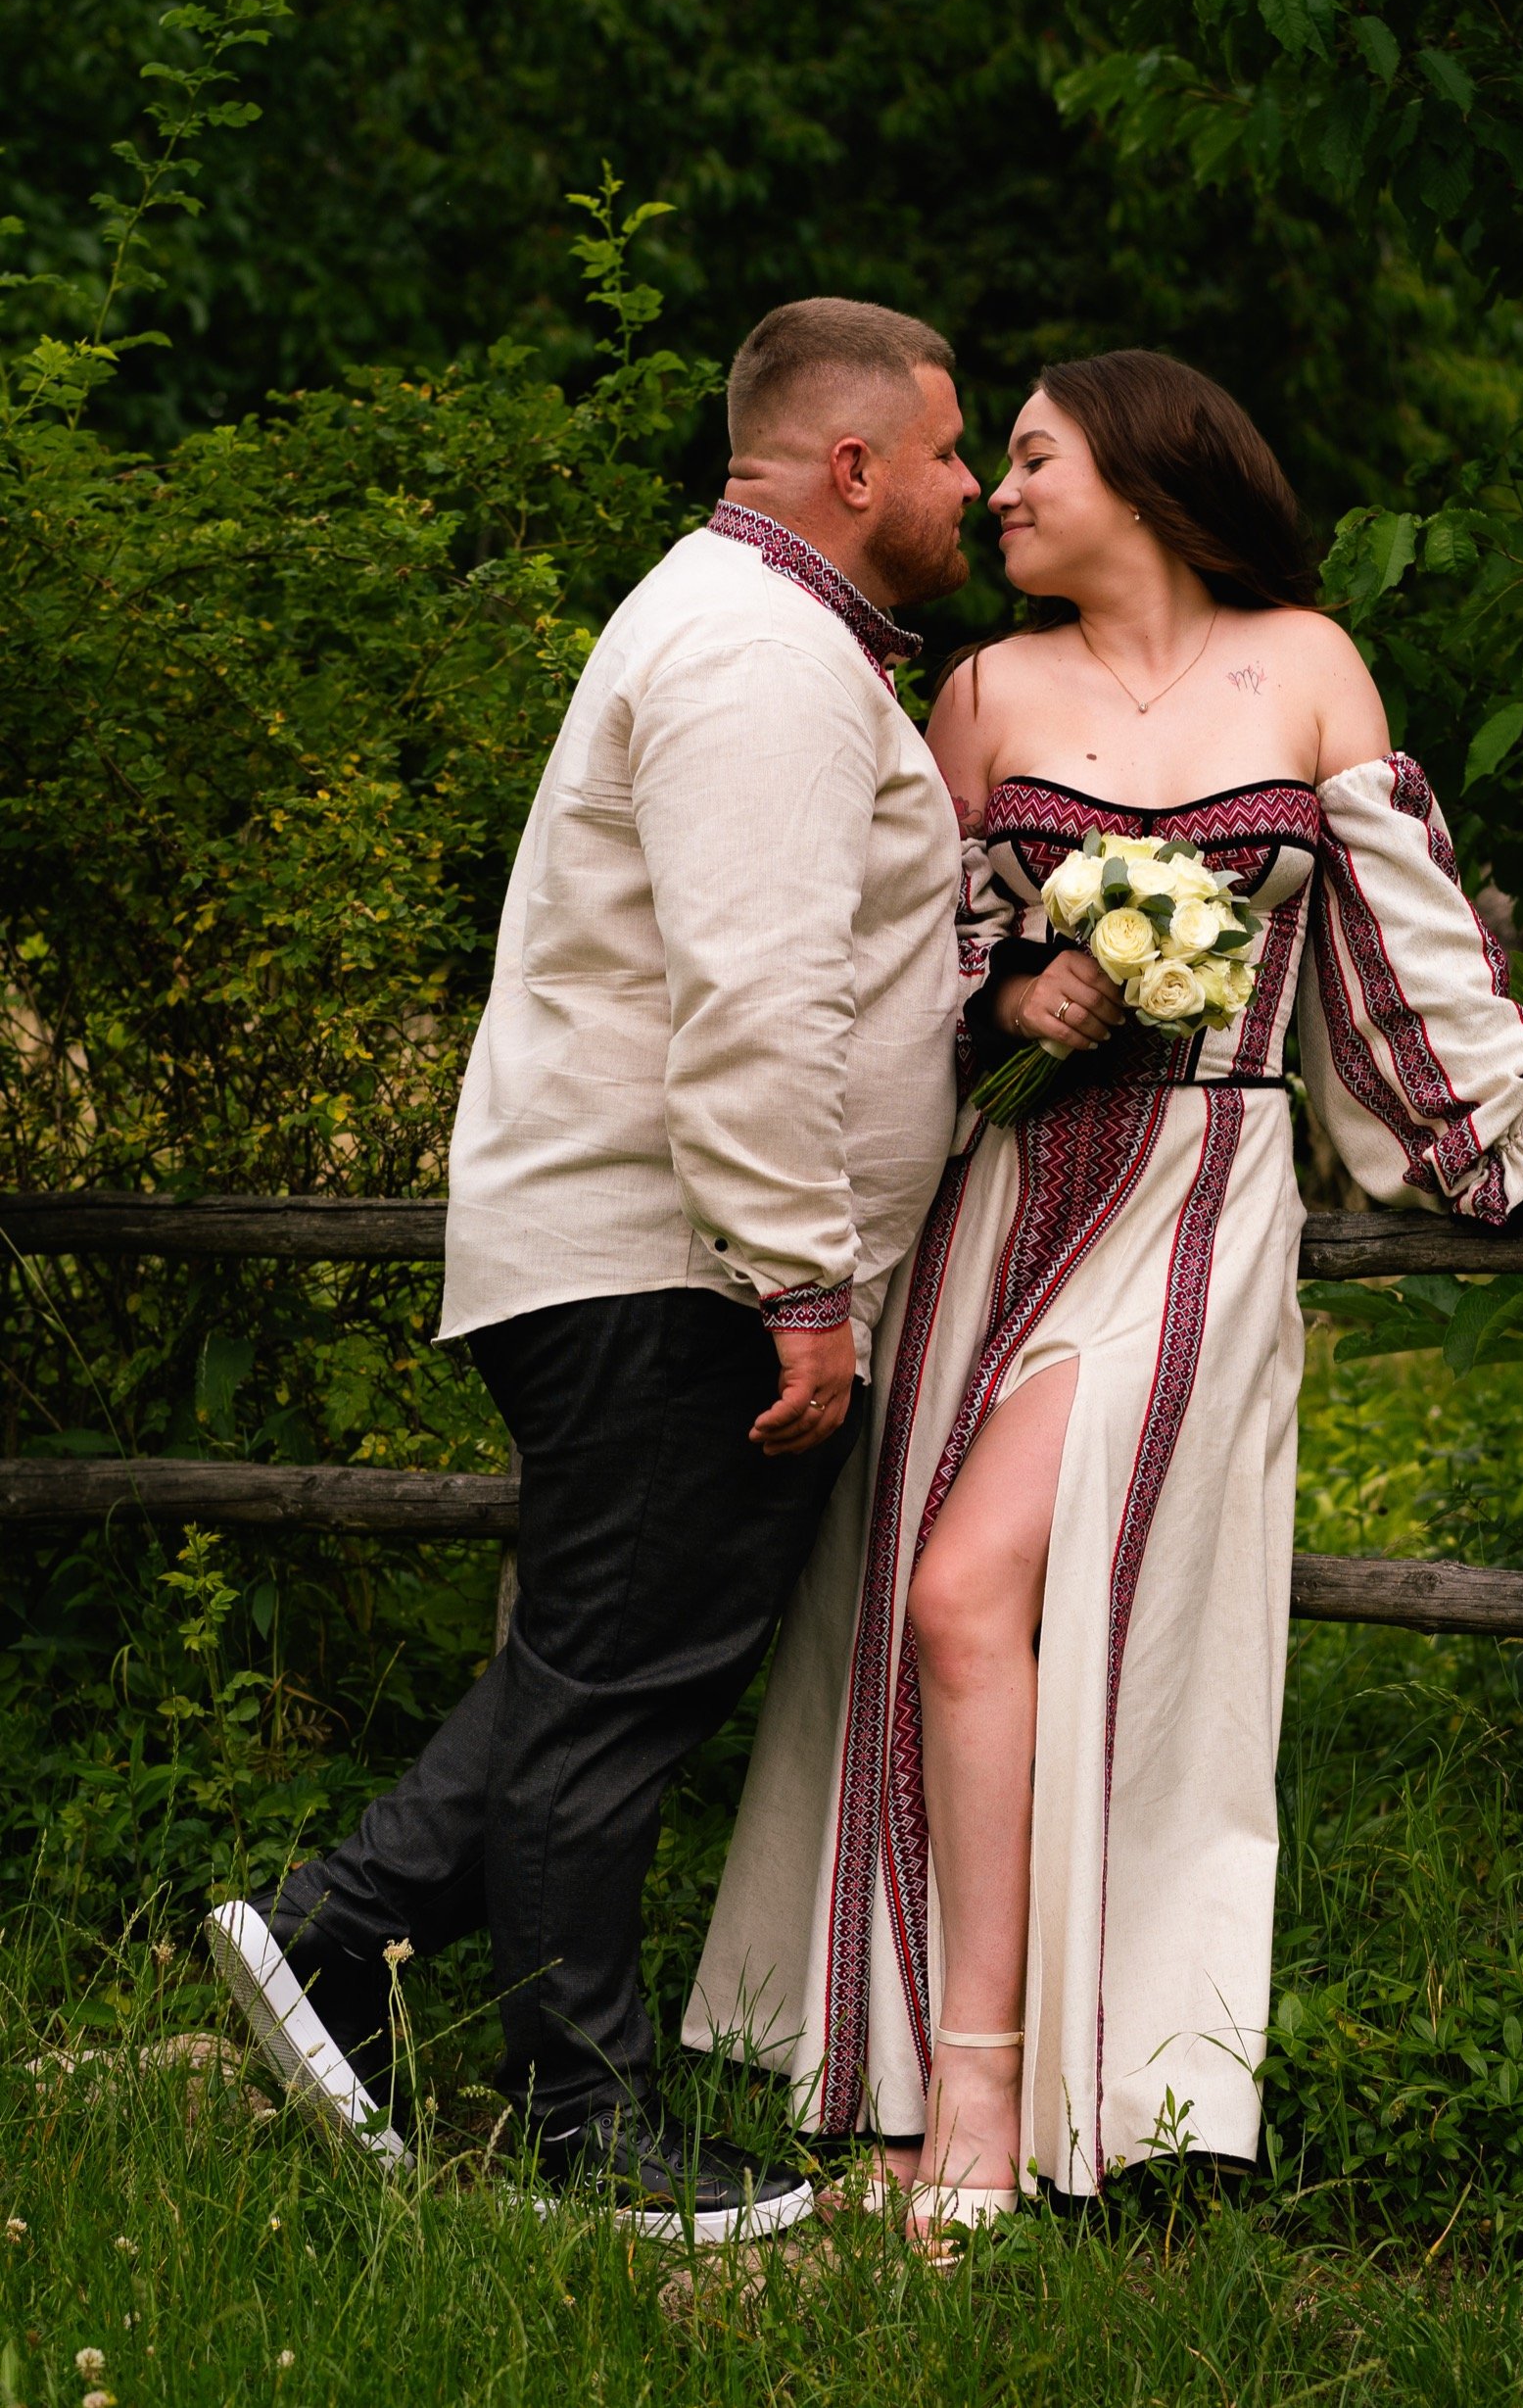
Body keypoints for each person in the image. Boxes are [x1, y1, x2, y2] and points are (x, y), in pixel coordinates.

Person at [686, 348, 1523, 2239]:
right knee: (944, 1614)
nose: (999, 496)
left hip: (1202, 1195)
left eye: (1028, 460)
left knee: (980, 1591)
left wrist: (1519, 1147)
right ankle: (946, 2107)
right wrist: (1011, 996)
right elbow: (906, 962)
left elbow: (1400, 946)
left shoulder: (1307, 664)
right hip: (1008, 1196)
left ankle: (1015, 2114)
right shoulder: (978, 691)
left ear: (1145, 468)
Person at [206, 297, 979, 2239]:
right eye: (955, 453)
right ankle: (586, 2126)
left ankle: (327, 1950)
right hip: (676, 1267)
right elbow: (747, 995)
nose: (973, 489)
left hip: (662, 1254)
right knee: (622, 1688)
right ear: (855, 465)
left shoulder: (760, 635)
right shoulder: (758, 653)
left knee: (601, 1666)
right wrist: (803, 1278)